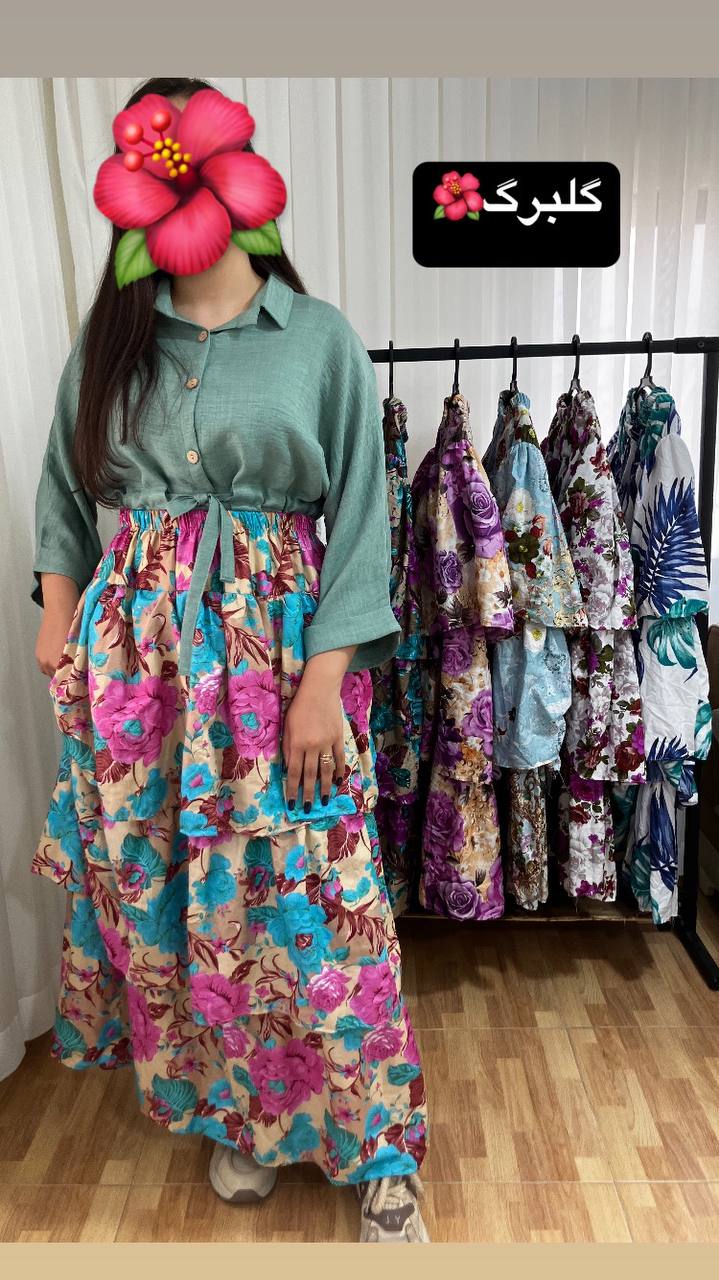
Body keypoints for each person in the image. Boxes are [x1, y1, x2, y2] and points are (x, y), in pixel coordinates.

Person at [30, 75, 429, 1245]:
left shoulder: (318, 340)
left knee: (321, 901)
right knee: (193, 908)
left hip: (280, 667)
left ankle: (378, 1146)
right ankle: (244, 1116)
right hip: (139, 678)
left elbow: (363, 523)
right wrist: (59, 624)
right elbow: (62, 493)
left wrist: (322, 684)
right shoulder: (113, 344)